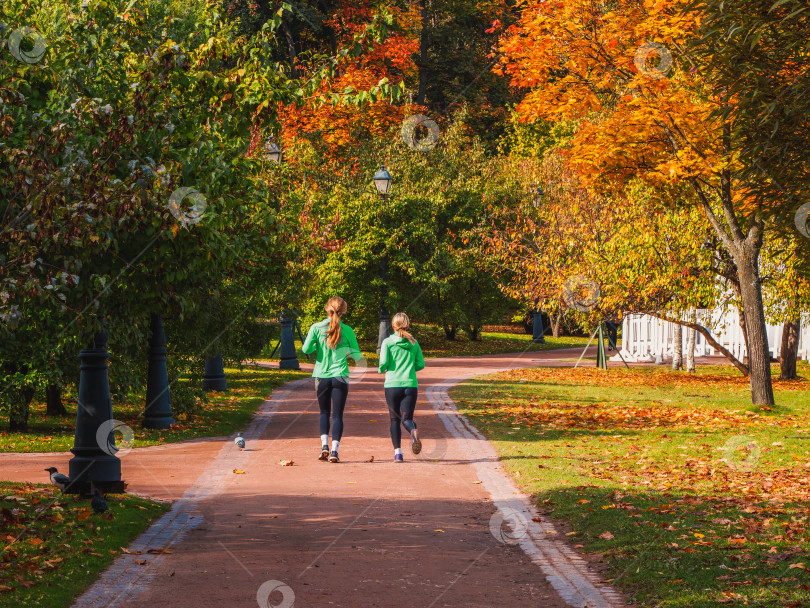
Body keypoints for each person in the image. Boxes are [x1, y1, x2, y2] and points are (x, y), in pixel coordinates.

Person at [302, 297, 363, 463]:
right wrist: (346, 350)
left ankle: (324, 446)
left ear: (326, 309)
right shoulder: (348, 330)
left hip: (321, 375)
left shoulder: (316, 328)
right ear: (343, 311)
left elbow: (306, 348)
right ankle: (335, 451)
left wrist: (317, 346)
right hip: (340, 376)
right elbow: (357, 356)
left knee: (324, 412)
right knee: (337, 415)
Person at [378, 313, 425, 462]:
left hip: (392, 384)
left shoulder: (388, 342)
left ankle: (398, 453)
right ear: (408, 325)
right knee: (407, 418)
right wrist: (409, 368)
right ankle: (412, 430)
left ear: (393, 325)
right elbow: (421, 364)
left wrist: (381, 369)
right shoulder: (413, 343)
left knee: (394, 420)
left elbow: (384, 362)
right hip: (410, 384)